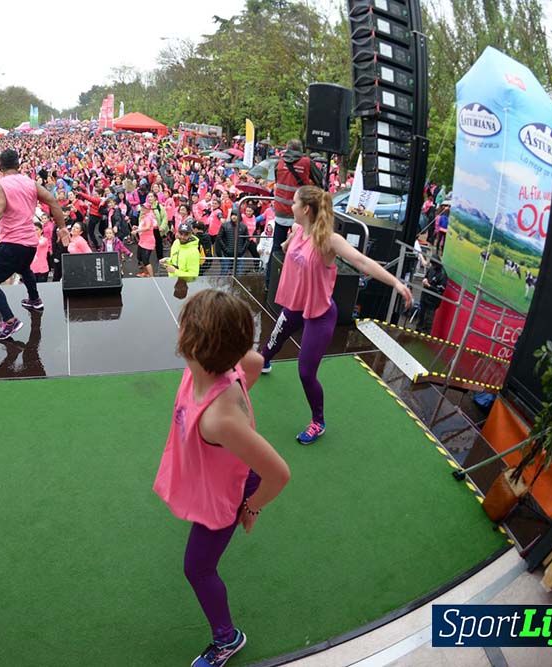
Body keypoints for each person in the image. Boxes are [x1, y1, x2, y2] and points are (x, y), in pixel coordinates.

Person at [153, 289, 291, 667]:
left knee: (197, 568)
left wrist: (251, 508)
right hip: (208, 476)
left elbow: (278, 474)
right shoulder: (232, 363)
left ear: (191, 343)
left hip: (226, 495)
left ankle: (227, 639)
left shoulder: (220, 419)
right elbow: (256, 359)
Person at [260, 185, 413, 444]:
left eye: (295, 203)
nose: (291, 206)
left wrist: (396, 284)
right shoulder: (297, 230)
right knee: (273, 343)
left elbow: (362, 262)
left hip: (319, 313)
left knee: (306, 372)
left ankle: (318, 422)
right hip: (296, 304)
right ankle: (261, 362)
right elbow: (287, 248)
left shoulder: (329, 240)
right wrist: (286, 243)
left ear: (306, 209)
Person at [0, 149, 67, 340]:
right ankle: (35, 300)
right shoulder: (30, 182)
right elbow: (53, 201)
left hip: (11, 243)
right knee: (24, 268)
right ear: (18, 165)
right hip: (30, 242)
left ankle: (10, 321)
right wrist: (62, 228)